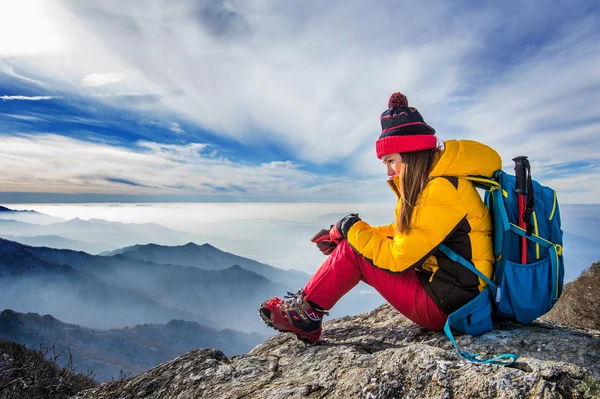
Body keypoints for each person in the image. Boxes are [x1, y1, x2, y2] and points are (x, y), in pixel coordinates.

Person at [259, 92, 502, 344]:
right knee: (356, 245)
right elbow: (404, 232)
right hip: (455, 294)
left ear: (410, 153)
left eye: (390, 160)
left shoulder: (439, 191)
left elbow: (397, 258)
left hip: (449, 306)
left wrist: (351, 229)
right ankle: (307, 310)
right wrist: (344, 232)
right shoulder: (439, 184)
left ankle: (305, 314)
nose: (388, 171)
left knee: (355, 252)